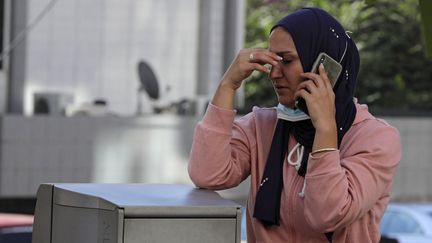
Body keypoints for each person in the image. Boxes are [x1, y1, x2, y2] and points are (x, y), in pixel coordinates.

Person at [188, 7, 401, 243]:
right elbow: (207, 175)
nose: (273, 74)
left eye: (287, 61)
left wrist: (325, 130)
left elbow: (327, 214)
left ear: (323, 67)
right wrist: (228, 85)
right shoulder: (262, 125)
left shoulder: (375, 139)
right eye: (272, 61)